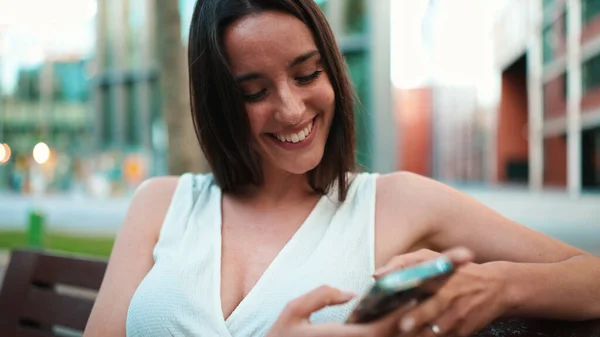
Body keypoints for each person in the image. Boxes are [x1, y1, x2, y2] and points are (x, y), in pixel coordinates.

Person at [84, 0, 600, 336]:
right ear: (218, 104)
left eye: (307, 74)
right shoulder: (160, 202)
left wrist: (497, 285)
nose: (290, 110)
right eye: (253, 93)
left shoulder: (397, 202)